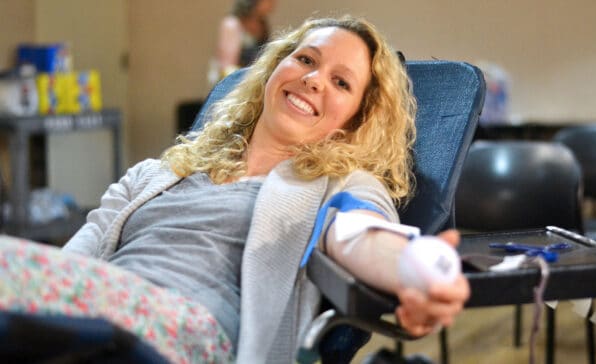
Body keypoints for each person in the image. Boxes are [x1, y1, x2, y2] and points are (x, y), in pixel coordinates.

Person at [0, 16, 469, 363]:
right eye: (305, 59)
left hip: (184, 335)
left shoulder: (336, 185)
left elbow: (359, 232)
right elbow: (72, 264)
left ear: (355, 120)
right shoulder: (158, 173)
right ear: (270, 71)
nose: (312, 78)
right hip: (88, 313)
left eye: (340, 82)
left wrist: (412, 270)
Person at [210, 0, 276, 84]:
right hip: (234, 85)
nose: (274, 2)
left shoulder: (262, 24)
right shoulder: (232, 24)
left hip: (253, 82)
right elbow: (227, 68)